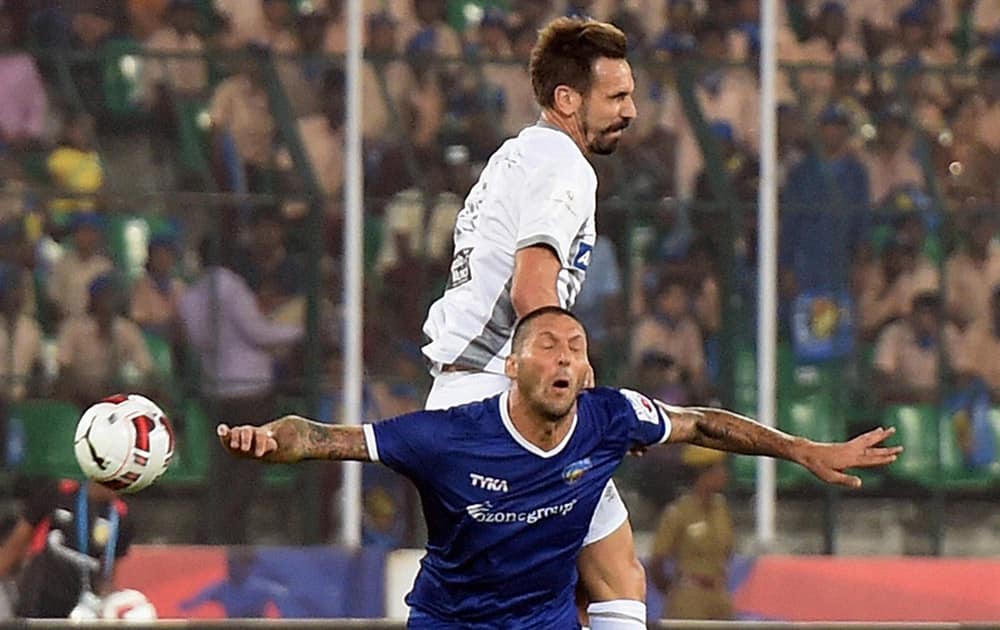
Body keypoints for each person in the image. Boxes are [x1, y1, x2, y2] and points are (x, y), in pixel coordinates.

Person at [219, 306, 902, 629]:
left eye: (576, 346)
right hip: (451, 620)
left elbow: (702, 422)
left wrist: (801, 449)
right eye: (548, 345)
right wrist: (265, 438)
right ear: (513, 368)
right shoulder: (448, 436)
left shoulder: (611, 417)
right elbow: (324, 437)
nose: (567, 357)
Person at [418, 16, 648, 628]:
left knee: (532, 594)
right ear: (568, 99)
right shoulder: (565, 167)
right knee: (617, 577)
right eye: (618, 96)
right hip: (506, 395)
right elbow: (533, 286)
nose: (631, 109)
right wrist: (578, 395)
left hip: (460, 394)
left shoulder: (515, 155)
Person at [0, 478, 133, 618]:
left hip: (80, 614)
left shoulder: (122, 518)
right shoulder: (58, 494)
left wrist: (103, 607)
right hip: (37, 606)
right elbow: (14, 548)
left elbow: (109, 576)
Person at [649, 446, 734, 620]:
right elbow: (657, 562)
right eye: (719, 468)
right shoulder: (679, 512)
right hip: (689, 596)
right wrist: (676, 591)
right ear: (704, 474)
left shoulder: (721, 508)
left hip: (719, 595)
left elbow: (727, 550)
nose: (724, 474)